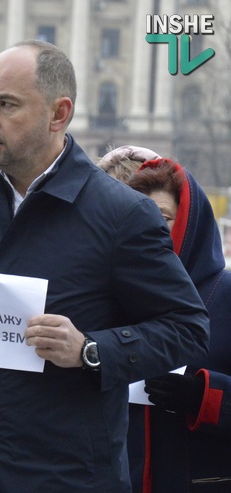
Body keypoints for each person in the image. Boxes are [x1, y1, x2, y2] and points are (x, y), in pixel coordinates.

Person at [0, 40, 209, 492]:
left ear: (59, 114)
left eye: (6, 104)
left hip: (61, 476)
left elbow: (187, 327)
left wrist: (90, 350)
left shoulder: (122, 214)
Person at [119, 158, 231, 492]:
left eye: (164, 217)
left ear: (189, 222)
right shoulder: (109, 295)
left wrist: (202, 396)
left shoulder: (225, 294)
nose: (151, 227)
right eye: (140, 215)